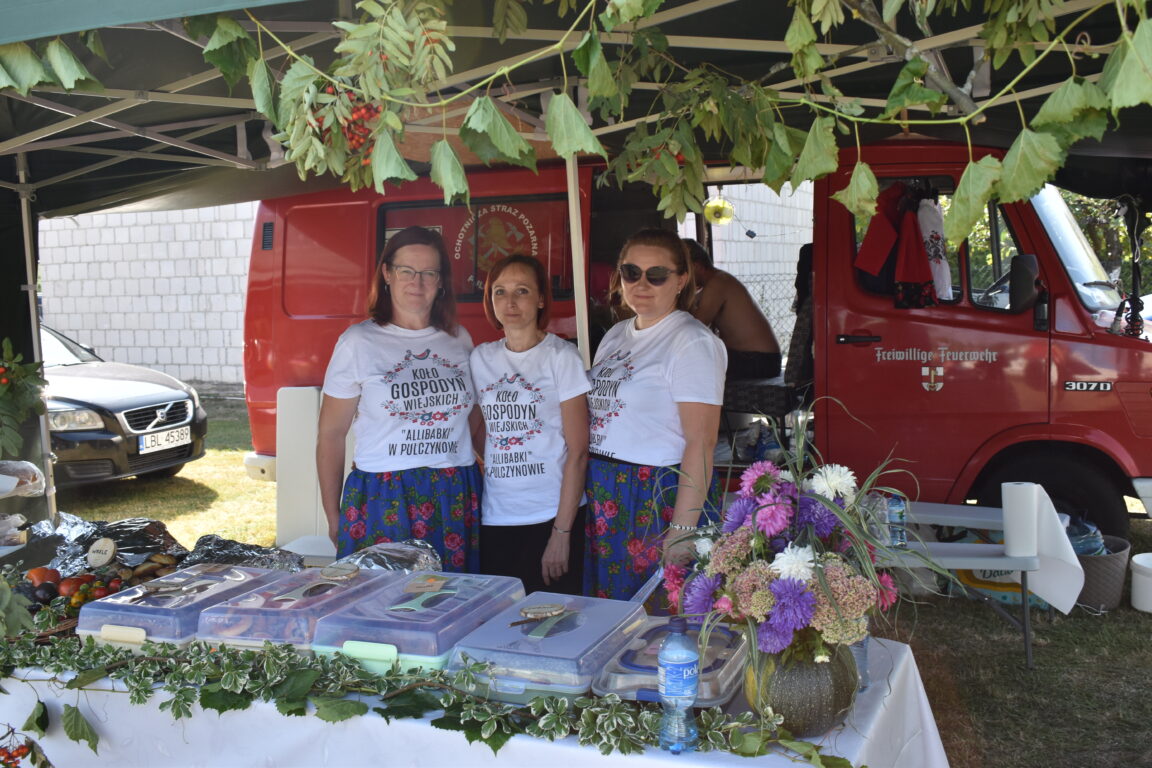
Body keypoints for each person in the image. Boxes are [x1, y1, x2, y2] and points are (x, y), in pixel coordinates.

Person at [316, 225, 481, 571]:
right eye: (406, 270)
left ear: (441, 281)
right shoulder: (358, 342)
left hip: (453, 492)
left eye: (428, 273)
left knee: (452, 602)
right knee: (383, 605)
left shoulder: (459, 340)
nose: (416, 282)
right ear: (387, 274)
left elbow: (473, 419)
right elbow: (331, 434)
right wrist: (333, 515)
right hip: (384, 495)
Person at [585, 228, 728, 599]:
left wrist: (683, 531)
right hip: (609, 491)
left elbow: (702, 442)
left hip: (657, 495)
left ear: (681, 280)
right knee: (614, 615)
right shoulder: (616, 334)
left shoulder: (692, 342)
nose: (642, 283)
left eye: (657, 275)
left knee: (660, 622)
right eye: (632, 272)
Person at [470, 254, 591, 595]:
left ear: (540, 299)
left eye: (522, 291)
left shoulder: (561, 357)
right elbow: (478, 431)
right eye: (500, 291)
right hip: (498, 517)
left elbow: (579, 451)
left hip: (552, 516)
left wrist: (561, 533)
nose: (509, 302)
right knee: (501, 624)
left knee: (554, 624)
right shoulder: (481, 358)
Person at [684, 238, 782, 380]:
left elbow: (695, 327)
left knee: (690, 362)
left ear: (697, 266)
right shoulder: (715, 283)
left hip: (759, 361)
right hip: (754, 358)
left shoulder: (718, 283)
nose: (682, 278)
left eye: (683, 271)